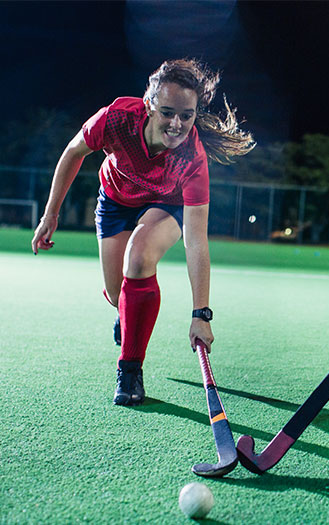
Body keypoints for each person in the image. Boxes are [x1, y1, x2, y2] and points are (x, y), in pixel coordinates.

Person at [31, 59, 255, 406]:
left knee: (138, 256)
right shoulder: (116, 118)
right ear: (149, 104)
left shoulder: (193, 158)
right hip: (116, 201)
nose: (177, 124)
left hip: (167, 206)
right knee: (115, 291)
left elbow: (196, 240)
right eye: (167, 112)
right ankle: (125, 314)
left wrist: (201, 314)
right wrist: (50, 214)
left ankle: (130, 369)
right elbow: (74, 152)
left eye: (187, 115)